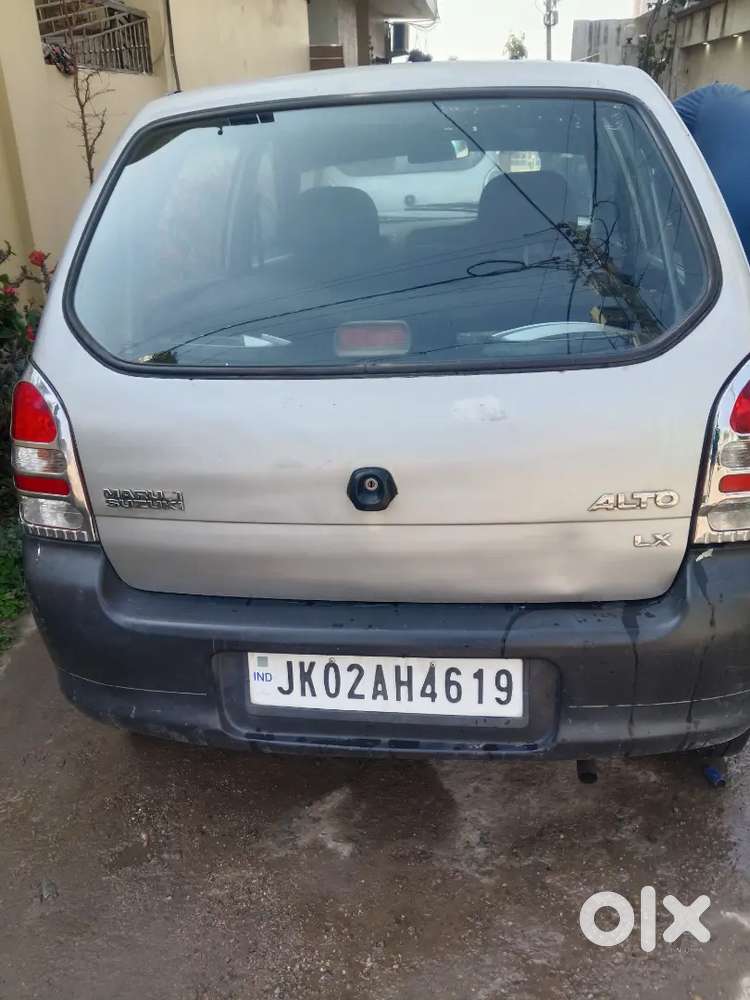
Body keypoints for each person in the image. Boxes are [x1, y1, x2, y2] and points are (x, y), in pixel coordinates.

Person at [675, 83, 750, 262]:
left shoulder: (718, 99)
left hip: (701, 264)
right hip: (706, 267)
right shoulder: (716, 101)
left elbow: (640, 129)